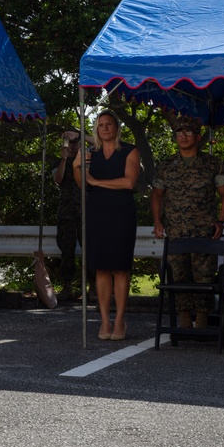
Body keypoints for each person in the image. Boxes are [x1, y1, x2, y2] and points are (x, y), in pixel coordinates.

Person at [151, 116, 224, 329]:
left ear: (198, 137)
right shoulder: (166, 165)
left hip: (204, 232)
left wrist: (221, 221)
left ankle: (203, 320)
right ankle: (185, 319)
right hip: (176, 232)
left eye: (188, 132)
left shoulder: (213, 164)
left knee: (204, 277)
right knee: (178, 276)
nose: (183, 136)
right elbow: (157, 195)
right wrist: (157, 221)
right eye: (179, 132)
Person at [73, 110, 140, 341]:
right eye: (100, 124)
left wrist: (96, 181)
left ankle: (120, 319)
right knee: (101, 268)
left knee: (120, 268)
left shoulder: (130, 150)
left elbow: (129, 182)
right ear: (96, 129)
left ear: (116, 127)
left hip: (122, 213)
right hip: (96, 214)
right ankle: (104, 320)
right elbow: (83, 185)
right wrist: (76, 168)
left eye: (109, 124)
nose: (105, 128)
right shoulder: (90, 153)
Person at [53, 130, 84, 300]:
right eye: (67, 143)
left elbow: (99, 143)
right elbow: (58, 179)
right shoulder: (60, 161)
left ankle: (93, 286)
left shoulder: (87, 160)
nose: (71, 146)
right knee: (67, 249)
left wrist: (80, 136)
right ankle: (67, 286)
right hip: (66, 212)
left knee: (90, 248)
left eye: (74, 142)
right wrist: (64, 159)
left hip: (85, 211)